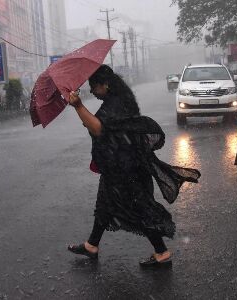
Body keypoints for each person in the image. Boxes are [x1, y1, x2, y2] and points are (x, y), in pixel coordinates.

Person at [67, 65, 200, 268]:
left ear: (106, 85)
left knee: (139, 208)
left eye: (94, 86)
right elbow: (106, 128)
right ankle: (91, 245)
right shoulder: (118, 99)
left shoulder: (116, 103)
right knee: (104, 204)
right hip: (119, 164)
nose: (92, 91)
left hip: (126, 168)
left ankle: (162, 253)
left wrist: (78, 106)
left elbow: (98, 128)